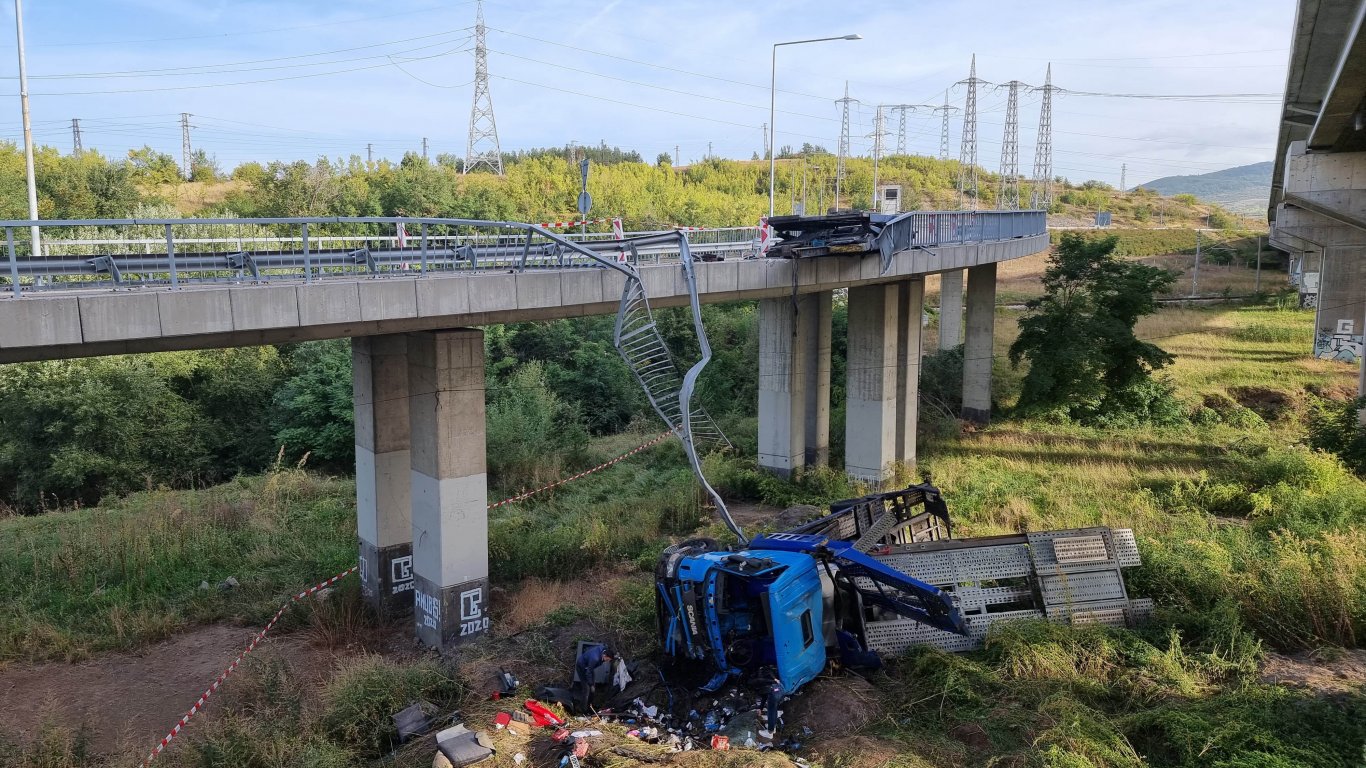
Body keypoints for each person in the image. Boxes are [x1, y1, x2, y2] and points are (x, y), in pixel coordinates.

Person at [574, 643, 614, 713]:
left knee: (593, 689)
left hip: (589, 667)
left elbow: (605, 647)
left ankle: (590, 707)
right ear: (604, 655)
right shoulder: (595, 659)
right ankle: (582, 709)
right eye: (608, 659)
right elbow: (588, 673)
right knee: (587, 689)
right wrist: (591, 684)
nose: (608, 661)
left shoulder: (603, 649)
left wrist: (592, 685)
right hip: (582, 667)